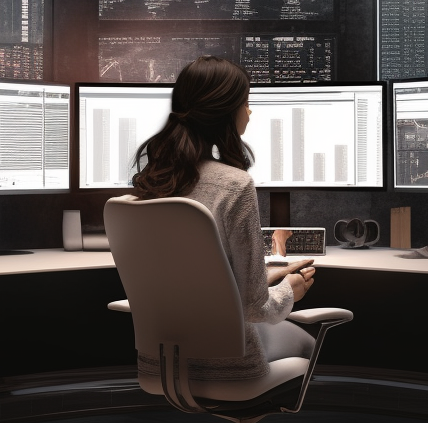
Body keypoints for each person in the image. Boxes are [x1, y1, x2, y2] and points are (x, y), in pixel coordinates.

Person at [130, 55, 316, 381]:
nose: (250, 111)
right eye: (246, 102)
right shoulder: (234, 185)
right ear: (225, 111)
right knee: (307, 343)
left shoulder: (149, 186)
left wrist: (269, 270)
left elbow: (200, 284)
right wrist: (291, 288)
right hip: (234, 367)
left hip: (160, 363)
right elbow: (255, 309)